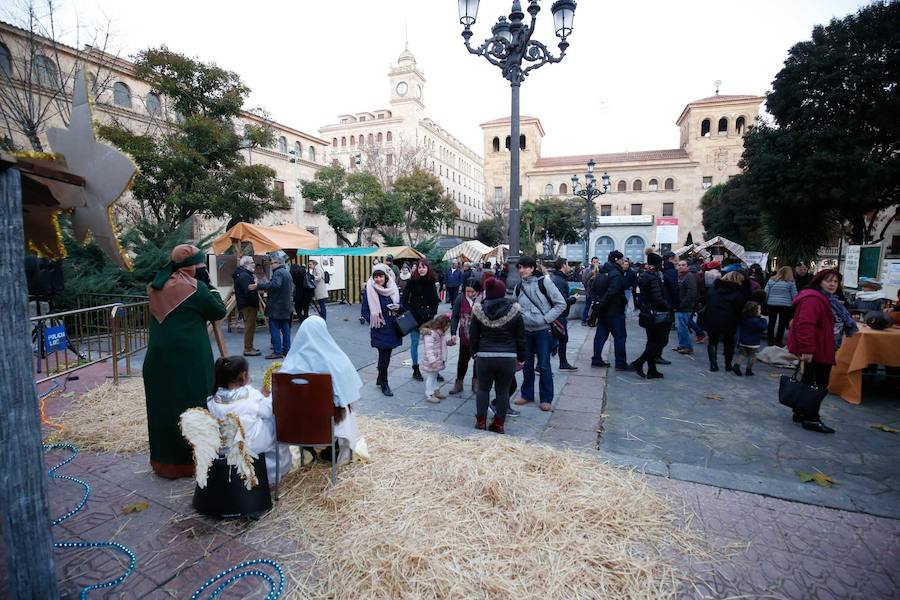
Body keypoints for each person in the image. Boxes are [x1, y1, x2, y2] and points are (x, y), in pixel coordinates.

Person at [144, 244, 227, 479]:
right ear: (192, 267)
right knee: (193, 408)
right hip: (189, 361)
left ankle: (164, 463)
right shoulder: (196, 288)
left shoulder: (155, 286)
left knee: (163, 409)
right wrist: (209, 286)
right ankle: (192, 463)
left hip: (157, 361)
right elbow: (218, 311)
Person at [280, 316, 365, 463]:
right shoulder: (337, 361)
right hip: (327, 423)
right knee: (344, 406)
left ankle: (307, 448)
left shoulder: (290, 363)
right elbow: (348, 395)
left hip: (294, 425)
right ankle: (335, 447)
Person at [787, 268, 857, 434]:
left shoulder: (828, 299)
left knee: (809, 381)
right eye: (828, 280)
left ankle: (800, 412)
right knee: (818, 384)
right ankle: (811, 418)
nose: (832, 284)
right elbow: (805, 324)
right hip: (817, 349)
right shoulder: (813, 299)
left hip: (822, 346)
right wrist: (807, 349)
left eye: (835, 281)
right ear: (819, 282)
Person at [207, 356, 292, 484]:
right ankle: (274, 477)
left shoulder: (213, 399)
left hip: (225, 447)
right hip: (250, 446)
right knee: (276, 428)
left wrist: (259, 396)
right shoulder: (250, 395)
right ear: (244, 374)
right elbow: (269, 410)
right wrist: (268, 396)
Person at [469, 277, 526, 433]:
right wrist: (521, 357)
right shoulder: (515, 312)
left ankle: (481, 422)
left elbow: (472, 336)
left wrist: (474, 353)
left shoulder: (478, 311)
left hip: (484, 356)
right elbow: (521, 338)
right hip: (507, 357)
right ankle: (499, 424)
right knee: (503, 391)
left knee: (483, 390)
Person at [513, 256, 566, 411]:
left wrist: (545, 319)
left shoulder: (545, 282)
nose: (521, 270)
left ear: (532, 268)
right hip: (525, 331)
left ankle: (546, 397)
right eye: (519, 267)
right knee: (526, 364)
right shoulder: (519, 286)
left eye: (524, 267)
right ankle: (527, 394)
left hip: (543, 331)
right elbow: (515, 304)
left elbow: (560, 304)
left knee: (543, 365)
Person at [361, 264, 403, 396]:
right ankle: (384, 383)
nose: (378, 279)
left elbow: (402, 306)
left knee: (387, 355)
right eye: (376, 276)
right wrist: (375, 321)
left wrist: (397, 307)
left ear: (386, 276)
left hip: (392, 326)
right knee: (383, 356)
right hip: (379, 327)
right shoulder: (370, 290)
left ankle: (380, 378)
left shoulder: (392, 288)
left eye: (381, 276)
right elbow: (365, 311)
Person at [630, 252, 670, 379]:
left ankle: (652, 370)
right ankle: (639, 363)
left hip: (648, 312)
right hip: (656, 313)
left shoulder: (646, 276)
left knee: (652, 341)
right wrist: (668, 307)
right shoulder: (653, 277)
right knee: (659, 342)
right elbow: (657, 297)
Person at [700, 271, 749, 372]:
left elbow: (707, 300)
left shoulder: (714, 289)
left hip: (712, 317)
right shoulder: (738, 293)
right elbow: (740, 308)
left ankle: (713, 364)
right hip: (729, 320)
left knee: (712, 341)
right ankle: (728, 365)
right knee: (729, 342)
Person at [402, 260, 441, 382]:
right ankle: (416, 369)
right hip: (415, 319)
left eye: (424, 267)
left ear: (427, 268)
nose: (421, 269)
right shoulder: (412, 281)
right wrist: (410, 312)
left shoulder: (431, 281)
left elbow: (435, 300)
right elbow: (404, 298)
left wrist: (432, 313)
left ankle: (434, 369)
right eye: (419, 267)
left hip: (428, 319)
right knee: (414, 344)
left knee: (431, 346)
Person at [590, 251, 630, 370]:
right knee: (620, 337)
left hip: (603, 311)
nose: (623, 262)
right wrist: (602, 303)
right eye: (622, 259)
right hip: (614, 310)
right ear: (617, 260)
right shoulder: (616, 274)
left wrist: (598, 305)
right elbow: (612, 292)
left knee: (600, 335)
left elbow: (594, 289)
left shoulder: (601, 273)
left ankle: (596, 359)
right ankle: (621, 363)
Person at [250, 251, 293, 359]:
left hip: (277, 307)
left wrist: (258, 286)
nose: (271, 265)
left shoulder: (278, 273)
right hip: (285, 306)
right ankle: (287, 350)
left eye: (272, 263)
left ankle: (277, 351)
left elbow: (275, 285)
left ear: (278, 263)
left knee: (274, 329)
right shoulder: (286, 272)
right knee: (285, 329)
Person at [449, 278, 483, 394]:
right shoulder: (460, 298)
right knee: (462, 360)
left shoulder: (482, 299)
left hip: (479, 337)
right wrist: (453, 333)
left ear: (477, 290)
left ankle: (476, 382)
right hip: (464, 335)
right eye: (467, 291)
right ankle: (459, 383)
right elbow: (454, 317)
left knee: (478, 361)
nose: (469, 294)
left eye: (472, 291)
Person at [548, 258, 578, 371]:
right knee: (558, 339)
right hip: (558, 315)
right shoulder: (560, 281)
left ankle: (562, 362)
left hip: (556, 314)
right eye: (567, 264)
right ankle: (561, 363)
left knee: (559, 339)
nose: (569, 267)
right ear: (563, 265)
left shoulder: (556, 278)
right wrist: (573, 299)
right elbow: (561, 300)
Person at [233, 256, 260, 356]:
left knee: (251, 327)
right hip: (248, 305)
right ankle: (248, 349)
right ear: (246, 264)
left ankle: (250, 346)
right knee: (249, 327)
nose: (254, 264)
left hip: (247, 304)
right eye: (252, 262)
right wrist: (256, 283)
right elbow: (248, 291)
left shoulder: (244, 274)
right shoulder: (244, 276)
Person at [764, 266, 798, 346]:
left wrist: (766, 302)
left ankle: (770, 340)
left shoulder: (771, 280)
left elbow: (766, 292)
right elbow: (794, 295)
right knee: (781, 323)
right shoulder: (791, 282)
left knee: (771, 322)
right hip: (785, 305)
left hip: (772, 303)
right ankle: (778, 340)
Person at [420, 315, 451, 403]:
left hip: (437, 359)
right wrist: (433, 361)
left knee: (434, 375)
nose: (447, 328)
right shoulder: (431, 334)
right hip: (432, 360)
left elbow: (442, 344)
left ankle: (435, 391)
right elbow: (429, 350)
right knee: (431, 376)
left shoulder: (440, 333)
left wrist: (449, 343)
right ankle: (429, 394)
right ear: (441, 325)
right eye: (447, 326)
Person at [732, 301, 767, 376]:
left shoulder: (745, 319)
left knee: (743, 354)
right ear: (755, 311)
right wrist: (763, 319)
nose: (760, 311)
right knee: (752, 355)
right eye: (759, 309)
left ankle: (736, 365)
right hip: (753, 342)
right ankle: (749, 370)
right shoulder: (757, 321)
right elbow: (763, 327)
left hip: (743, 340)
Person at [674, 259, 701, 355]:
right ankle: (682, 345)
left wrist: (682, 304)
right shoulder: (680, 276)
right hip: (680, 306)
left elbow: (691, 293)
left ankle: (687, 347)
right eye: (679, 265)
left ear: (687, 267)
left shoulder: (689, 276)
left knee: (682, 327)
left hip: (685, 307)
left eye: (683, 265)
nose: (680, 266)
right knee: (679, 327)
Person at [581, 256, 600, 325]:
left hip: (597, 292)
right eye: (594, 262)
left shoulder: (599, 270)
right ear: (591, 262)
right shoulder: (587, 270)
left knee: (596, 306)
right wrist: (591, 273)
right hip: (589, 291)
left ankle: (593, 319)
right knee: (587, 305)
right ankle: (584, 319)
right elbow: (584, 280)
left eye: (597, 262)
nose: (595, 263)